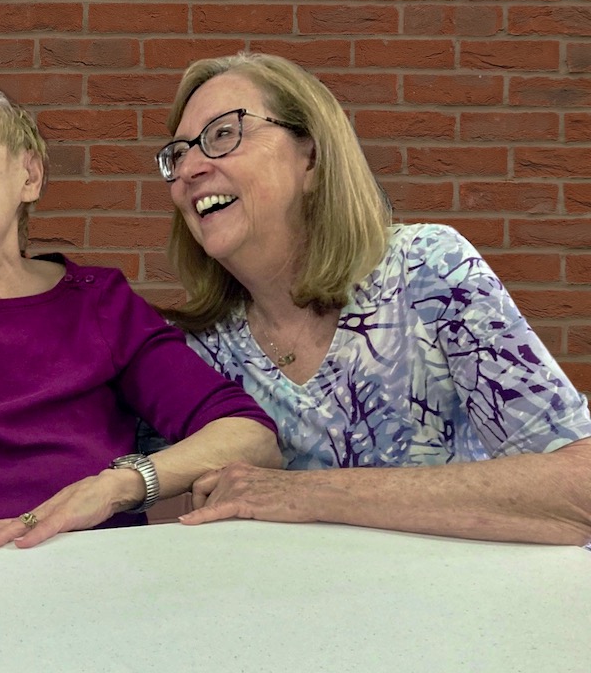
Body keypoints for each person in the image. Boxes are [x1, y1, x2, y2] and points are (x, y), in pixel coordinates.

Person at [154, 51, 591, 545]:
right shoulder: (197, 350)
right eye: (178, 153)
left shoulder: (429, 272)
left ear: (312, 158)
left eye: (222, 134)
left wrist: (306, 494)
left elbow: (579, 487)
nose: (189, 167)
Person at [0, 79, 280, 551]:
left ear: (29, 175)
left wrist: (113, 488)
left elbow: (248, 436)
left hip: (89, 577)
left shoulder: (98, 304)